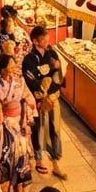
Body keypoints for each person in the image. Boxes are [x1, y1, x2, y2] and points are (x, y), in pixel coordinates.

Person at [23, 25, 67, 178]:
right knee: (39, 129)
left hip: (52, 98)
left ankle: (56, 160)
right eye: (43, 39)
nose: (47, 41)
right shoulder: (29, 59)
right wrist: (41, 92)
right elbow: (31, 79)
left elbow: (58, 74)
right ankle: (39, 158)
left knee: (55, 128)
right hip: (39, 101)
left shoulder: (52, 54)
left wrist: (52, 91)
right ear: (35, 41)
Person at [0, 53, 34, 136]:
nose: (14, 66)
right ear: (3, 69)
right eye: (10, 65)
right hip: (4, 120)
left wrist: (27, 120)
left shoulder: (19, 81)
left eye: (14, 64)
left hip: (20, 118)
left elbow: (27, 98)